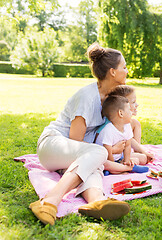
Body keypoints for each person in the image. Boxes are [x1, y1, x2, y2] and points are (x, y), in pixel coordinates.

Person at [30, 43, 131, 225]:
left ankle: (96, 202)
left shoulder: (110, 99)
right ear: (112, 72)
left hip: (71, 154)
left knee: (95, 162)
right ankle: (49, 201)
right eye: (123, 67)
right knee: (97, 155)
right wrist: (109, 161)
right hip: (53, 144)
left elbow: (126, 125)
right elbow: (74, 142)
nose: (127, 70)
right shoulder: (87, 97)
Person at [94, 94, 149, 174]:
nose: (131, 112)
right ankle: (124, 169)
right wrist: (113, 164)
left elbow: (127, 145)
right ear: (121, 113)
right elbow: (108, 151)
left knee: (139, 159)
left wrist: (127, 160)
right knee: (108, 164)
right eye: (129, 110)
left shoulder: (127, 126)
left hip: (118, 158)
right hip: (106, 158)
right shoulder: (108, 130)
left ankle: (122, 167)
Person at [107, 85, 154, 162]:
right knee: (141, 159)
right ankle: (123, 163)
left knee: (142, 158)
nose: (137, 105)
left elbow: (129, 139)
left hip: (122, 152)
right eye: (133, 102)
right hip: (114, 155)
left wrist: (143, 152)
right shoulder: (113, 125)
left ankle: (136, 153)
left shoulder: (126, 123)